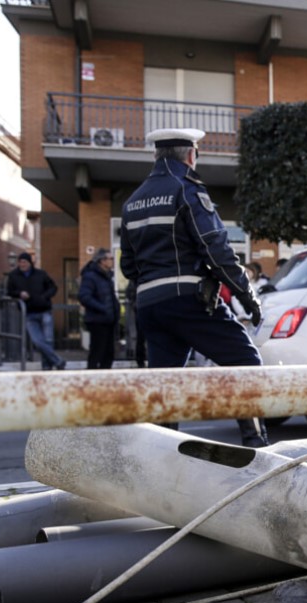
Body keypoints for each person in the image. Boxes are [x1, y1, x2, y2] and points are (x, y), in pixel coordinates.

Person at [119, 127, 270, 448]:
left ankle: (161, 457)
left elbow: (128, 267)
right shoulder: (186, 189)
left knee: (166, 386)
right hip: (190, 300)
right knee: (246, 363)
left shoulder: (132, 202)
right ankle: (256, 447)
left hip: (149, 307)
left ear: (156, 156)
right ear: (190, 155)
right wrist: (247, 295)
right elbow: (216, 249)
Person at [6, 251, 66, 370]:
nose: (22, 264)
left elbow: (53, 287)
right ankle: (58, 361)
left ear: (29, 263)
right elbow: (10, 292)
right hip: (28, 313)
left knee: (48, 340)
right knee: (37, 341)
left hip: (44, 310)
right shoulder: (13, 276)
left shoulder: (41, 274)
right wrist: (19, 294)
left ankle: (47, 367)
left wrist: (44, 297)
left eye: (24, 262)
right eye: (20, 262)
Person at [78, 247, 121, 370]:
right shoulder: (91, 277)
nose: (112, 261)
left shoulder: (106, 277)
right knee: (98, 351)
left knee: (109, 353)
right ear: (102, 261)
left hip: (108, 320)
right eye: (110, 259)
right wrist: (102, 308)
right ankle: (93, 376)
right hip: (97, 320)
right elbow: (84, 296)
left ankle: (105, 377)